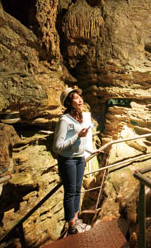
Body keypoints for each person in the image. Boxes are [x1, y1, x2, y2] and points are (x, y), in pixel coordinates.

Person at [53, 86, 93, 235]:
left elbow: (81, 142)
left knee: (77, 190)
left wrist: (90, 150)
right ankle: (71, 225)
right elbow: (57, 147)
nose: (80, 100)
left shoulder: (79, 117)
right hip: (68, 160)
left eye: (80, 97)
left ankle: (76, 220)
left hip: (79, 159)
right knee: (70, 192)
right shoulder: (64, 120)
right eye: (76, 98)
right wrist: (77, 136)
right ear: (69, 102)